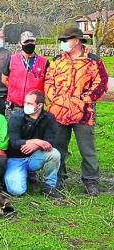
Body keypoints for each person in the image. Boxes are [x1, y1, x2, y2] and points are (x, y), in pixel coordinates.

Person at [45, 28, 109, 196]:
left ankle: (91, 180)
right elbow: (48, 82)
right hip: (59, 113)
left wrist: (82, 100)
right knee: (58, 148)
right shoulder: (57, 61)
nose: (63, 43)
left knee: (87, 149)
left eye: (66, 39)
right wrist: (57, 100)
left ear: (77, 41)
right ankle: (58, 178)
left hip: (83, 114)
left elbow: (101, 84)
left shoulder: (93, 61)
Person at [5, 90, 62, 199]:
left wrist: (36, 146)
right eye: (25, 102)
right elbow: (14, 142)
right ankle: (21, 175)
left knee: (54, 154)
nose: (26, 105)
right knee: (17, 191)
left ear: (39, 105)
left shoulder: (49, 118)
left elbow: (50, 141)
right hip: (16, 158)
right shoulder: (16, 118)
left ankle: (49, 186)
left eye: (30, 103)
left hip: (35, 157)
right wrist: (37, 141)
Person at [2, 31, 49, 118]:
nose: (29, 44)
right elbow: (4, 79)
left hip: (35, 107)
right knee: (14, 131)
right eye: (26, 42)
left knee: (35, 131)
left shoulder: (44, 62)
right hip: (15, 107)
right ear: (20, 44)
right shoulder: (11, 59)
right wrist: (16, 91)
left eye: (32, 41)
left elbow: (48, 83)